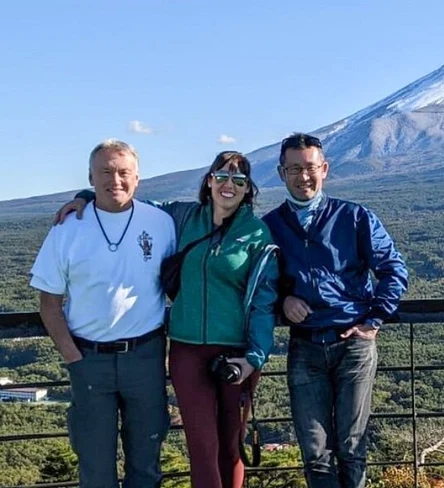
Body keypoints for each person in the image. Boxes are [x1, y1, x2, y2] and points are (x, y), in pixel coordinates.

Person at [56, 151, 279, 488]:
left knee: (230, 446)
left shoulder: (257, 235)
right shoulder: (184, 217)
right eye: (221, 176)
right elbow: (132, 202)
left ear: (248, 189)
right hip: (187, 350)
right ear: (209, 181)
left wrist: (254, 358)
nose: (228, 185)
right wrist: (89, 195)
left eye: (238, 180)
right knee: (203, 444)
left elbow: (264, 301)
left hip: (236, 354)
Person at [262, 133, 409, 488]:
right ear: (282, 173)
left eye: (310, 167)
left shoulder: (355, 217)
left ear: (324, 169)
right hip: (305, 346)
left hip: (353, 345)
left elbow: (394, 269)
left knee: (351, 445)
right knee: (314, 451)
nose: (303, 176)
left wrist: (373, 320)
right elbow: (260, 282)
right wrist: (283, 300)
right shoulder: (270, 226)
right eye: (294, 169)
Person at [31, 139, 177, 487]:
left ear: (138, 177)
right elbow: (48, 301)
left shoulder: (161, 223)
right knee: (95, 468)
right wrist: (72, 358)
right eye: (106, 172)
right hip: (88, 358)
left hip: (146, 356)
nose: (116, 180)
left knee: (146, 464)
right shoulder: (67, 228)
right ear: (91, 177)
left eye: (124, 172)